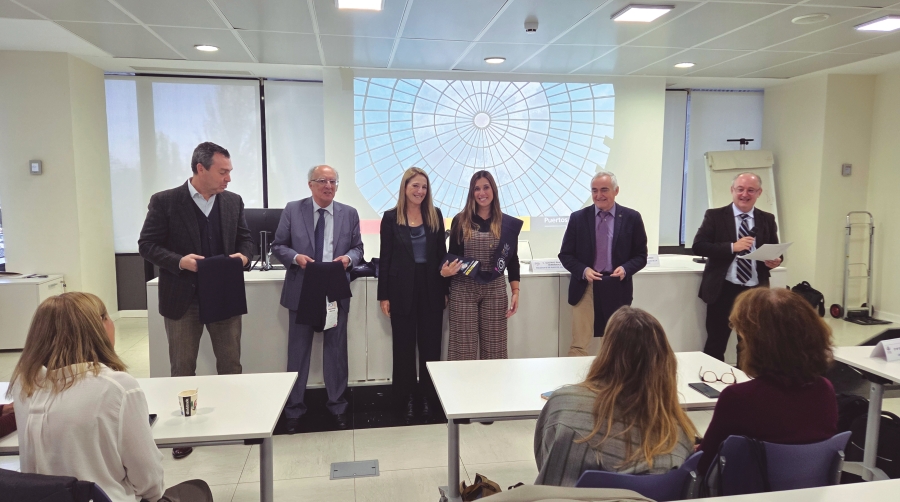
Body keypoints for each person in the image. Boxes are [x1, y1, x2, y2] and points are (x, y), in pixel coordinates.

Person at [7, 292, 214, 502]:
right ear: (99, 327)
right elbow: (149, 482)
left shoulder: (23, 384)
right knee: (197, 489)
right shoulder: (117, 388)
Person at [138, 142, 253, 458]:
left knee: (230, 363)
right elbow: (147, 245)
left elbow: (245, 238)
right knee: (182, 367)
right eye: (223, 172)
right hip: (182, 298)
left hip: (224, 293)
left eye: (229, 172)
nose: (228, 178)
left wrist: (244, 257)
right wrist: (179, 261)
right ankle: (183, 433)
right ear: (200, 169)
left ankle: (235, 422)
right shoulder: (165, 201)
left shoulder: (232, 201)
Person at [534, 307, 697, 486]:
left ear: (607, 351)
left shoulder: (563, 406)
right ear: (665, 360)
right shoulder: (680, 437)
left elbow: (546, 465)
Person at [697, 288, 837, 477]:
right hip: (809, 487)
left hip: (748, 488)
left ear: (756, 343)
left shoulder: (739, 397)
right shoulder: (824, 390)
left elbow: (703, 464)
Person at [272, 165, 363, 433]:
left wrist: (348, 259)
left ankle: (338, 407)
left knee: (336, 352)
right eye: (322, 181)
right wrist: (295, 258)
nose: (328, 186)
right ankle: (294, 410)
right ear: (310, 184)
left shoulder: (349, 213)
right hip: (303, 287)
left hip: (334, 287)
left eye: (333, 181)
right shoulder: (293, 209)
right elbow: (278, 245)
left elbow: (358, 248)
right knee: (298, 352)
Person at [378, 167, 447, 422]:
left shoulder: (435, 215)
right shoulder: (390, 217)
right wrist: (383, 295)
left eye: (424, 187)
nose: (420, 191)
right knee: (403, 349)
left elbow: (441, 255)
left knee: (431, 349)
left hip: (431, 288)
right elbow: (385, 257)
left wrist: (445, 289)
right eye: (415, 186)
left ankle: (429, 399)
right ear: (405, 187)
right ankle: (404, 399)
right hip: (401, 290)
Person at [692, 172, 781, 362]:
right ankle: (713, 378)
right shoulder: (715, 216)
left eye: (751, 190)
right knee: (716, 342)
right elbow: (699, 246)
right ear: (732, 190)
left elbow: (775, 249)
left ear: (759, 193)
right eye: (740, 189)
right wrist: (733, 247)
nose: (744, 194)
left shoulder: (767, 219)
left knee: (750, 344)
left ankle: (745, 380)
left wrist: (775, 260)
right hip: (722, 289)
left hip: (755, 291)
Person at [559, 171, 648, 356]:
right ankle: (576, 375)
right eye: (594, 190)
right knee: (579, 344)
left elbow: (641, 256)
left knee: (616, 345)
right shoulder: (578, 218)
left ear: (616, 191)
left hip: (617, 287)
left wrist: (625, 269)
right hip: (585, 287)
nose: (599, 195)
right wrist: (583, 270)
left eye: (604, 190)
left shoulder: (632, 218)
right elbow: (565, 255)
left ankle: (613, 375)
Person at [443, 170, 521, 361]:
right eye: (476, 189)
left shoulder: (507, 224)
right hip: (463, 290)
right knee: (463, 350)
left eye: (486, 187)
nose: (482, 193)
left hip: (495, 290)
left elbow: (512, 260)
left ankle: (494, 382)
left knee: (495, 350)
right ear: (472, 192)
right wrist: (445, 281)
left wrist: (515, 291)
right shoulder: (460, 220)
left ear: (493, 190)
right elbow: (452, 258)